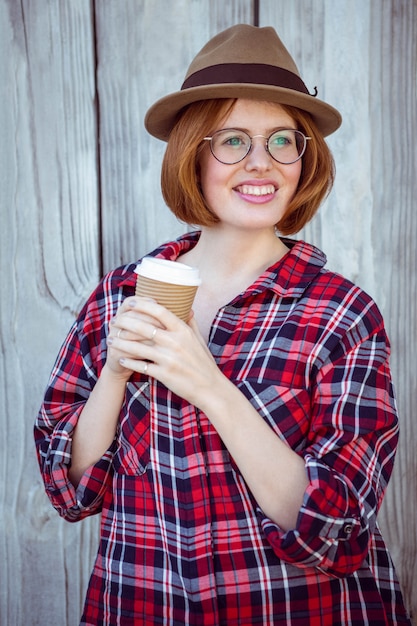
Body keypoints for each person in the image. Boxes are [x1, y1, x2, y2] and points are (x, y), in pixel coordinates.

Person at [35, 24, 412, 625]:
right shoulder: (120, 295)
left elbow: (335, 531)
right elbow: (68, 490)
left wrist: (208, 383)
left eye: (282, 140)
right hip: (144, 606)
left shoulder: (342, 314)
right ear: (192, 153)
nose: (261, 164)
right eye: (232, 140)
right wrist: (113, 373)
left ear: (304, 156)